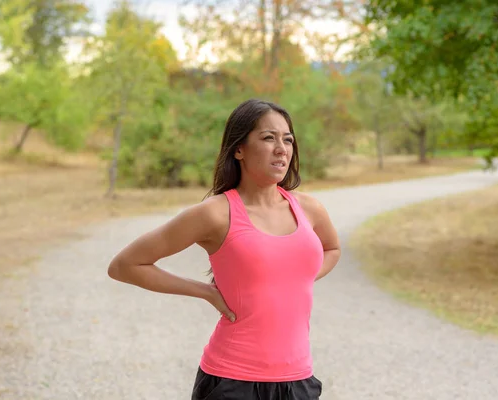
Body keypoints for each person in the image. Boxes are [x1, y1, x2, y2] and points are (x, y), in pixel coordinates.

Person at [107, 98, 341, 399]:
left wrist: (301, 277)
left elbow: (332, 248)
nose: (281, 149)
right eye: (268, 138)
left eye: (288, 140)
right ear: (239, 149)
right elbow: (125, 265)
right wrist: (205, 291)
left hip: (298, 380)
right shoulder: (215, 214)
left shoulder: (309, 208)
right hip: (232, 381)